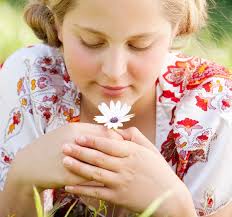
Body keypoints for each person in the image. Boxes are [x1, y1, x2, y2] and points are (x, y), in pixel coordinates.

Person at [0, 0, 232, 216]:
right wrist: (21, 180)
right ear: (58, 23)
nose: (114, 71)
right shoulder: (29, 83)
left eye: (140, 45)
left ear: (175, 29)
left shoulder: (211, 111)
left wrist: (175, 205)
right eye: (92, 42)